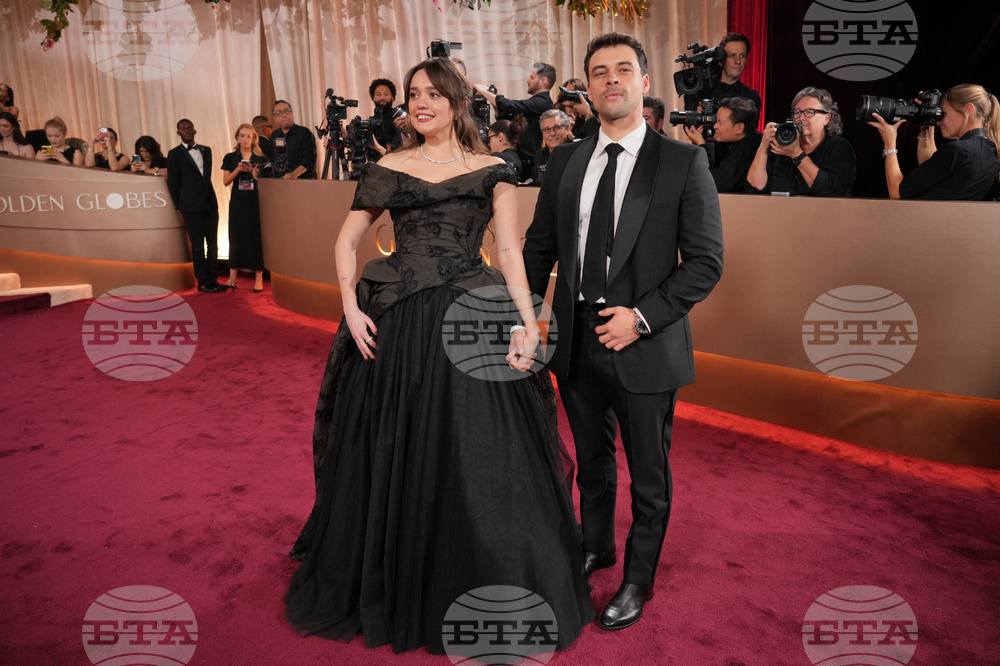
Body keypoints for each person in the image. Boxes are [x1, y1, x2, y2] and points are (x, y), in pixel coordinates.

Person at [284, 56, 595, 655]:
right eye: (413, 94)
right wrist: (349, 307)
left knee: (481, 456)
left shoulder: (496, 169)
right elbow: (346, 241)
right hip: (398, 321)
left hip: (473, 317)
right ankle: (398, 572)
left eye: (433, 94)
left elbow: (510, 251)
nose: (421, 103)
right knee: (396, 447)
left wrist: (529, 322)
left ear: (457, 102)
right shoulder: (388, 167)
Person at [522, 32, 724, 631]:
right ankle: (596, 546)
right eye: (599, 71)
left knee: (648, 475)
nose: (611, 79)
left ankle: (638, 578)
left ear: (644, 81)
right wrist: (524, 315)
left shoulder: (682, 162)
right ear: (587, 86)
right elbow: (539, 247)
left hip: (645, 342)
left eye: (623, 69)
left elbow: (706, 263)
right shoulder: (566, 160)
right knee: (591, 460)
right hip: (575, 339)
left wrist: (640, 318)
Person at [867, 84, 1000, 200]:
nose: (938, 122)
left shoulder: (958, 151)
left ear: (968, 109)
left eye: (944, 114)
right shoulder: (992, 152)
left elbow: (897, 192)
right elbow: (932, 170)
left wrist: (889, 142)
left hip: (924, 219)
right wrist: (926, 122)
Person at [746, 86, 856, 196]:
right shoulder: (781, 145)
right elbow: (755, 188)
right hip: (781, 207)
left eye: (809, 112)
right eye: (797, 112)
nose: (801, 118)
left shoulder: (839, 147)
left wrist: (796, 154)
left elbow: (829, 190)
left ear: (827, 118)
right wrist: (763, 147)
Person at [166, 119, 224, 293]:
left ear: (195, 130)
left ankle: (213, 280)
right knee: (198, 246)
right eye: (183, 129)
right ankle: (202, 282)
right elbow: (173, 182)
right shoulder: (174, 154)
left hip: (210, 203)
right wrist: (178, 207)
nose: (187, 131)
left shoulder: (206, 150)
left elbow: (206, 178)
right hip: (190, 206)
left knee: (213, 245)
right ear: (178, 133)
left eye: (189, 128)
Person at [474, 63, 555, 177]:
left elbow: (510, 105)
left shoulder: (543, 103)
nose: (527, 81)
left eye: (532, 78)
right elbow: (508, 119)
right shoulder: (536, 104)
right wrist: (493, 100)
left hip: (528, 165)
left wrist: (482, 91)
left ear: (543, 81)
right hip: (520, 159)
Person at [221, 124, 268, 293]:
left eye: (249, 136)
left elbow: (267, 183)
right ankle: (232, 277)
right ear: (237, 137)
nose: (245, 139)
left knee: (255, 237)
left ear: (254, 138)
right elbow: (225, 182)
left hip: (256, 202)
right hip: (238, 202)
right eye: (242, 136)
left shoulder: (261, 158)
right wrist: (238, 169)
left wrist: (255, 173)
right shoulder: (230, 157)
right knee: (235, 237)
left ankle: (259, 277)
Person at [684, 97, 762, 192]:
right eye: (716, 120)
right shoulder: (734, 141)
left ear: (739, 128)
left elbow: (714, 183)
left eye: (720, 122)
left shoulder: (747, 150)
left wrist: (701, 145)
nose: (715, 126)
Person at [683, 32, 762, 122]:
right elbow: (689, 125)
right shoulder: (701, 89)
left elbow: (749, 130)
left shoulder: (752, 97)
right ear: (721, 61)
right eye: (732, 56)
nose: (738, 61)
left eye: (742, 56)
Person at [270, 100, 317, 179]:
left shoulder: (304, 133)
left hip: (303, 180)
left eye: (286, 111)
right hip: (280, 181)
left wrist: (293, 174)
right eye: (279, 113)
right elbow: (270, 158)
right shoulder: (275, 135)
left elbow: (309, 160)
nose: (284, 115)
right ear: (274, 118)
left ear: (292, 113)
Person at [532, 108, 574, 186]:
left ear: (567, 129)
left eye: (557, 127)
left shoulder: (577, 152)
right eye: (547, 129)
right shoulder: (540, 156)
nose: (552, 133)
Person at [368, 77, 407, 157]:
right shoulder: (370, 122)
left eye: (386, 94)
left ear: (393, 97)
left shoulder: (400, 118)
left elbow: (399, 148)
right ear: (373, 98)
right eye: (378, 94)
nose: (382, 98)